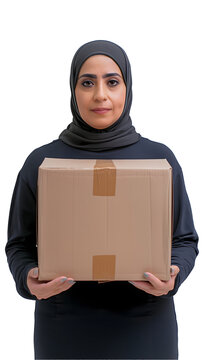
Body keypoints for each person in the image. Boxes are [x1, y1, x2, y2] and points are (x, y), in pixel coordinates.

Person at [5, 40, 199, 360]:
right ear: (73, 89)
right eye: (87, 83)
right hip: (64, 322)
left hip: (145, 321)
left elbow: (185, 239)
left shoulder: (159, 160)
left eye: (112, 82)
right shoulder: (41, 162)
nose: (100, 95)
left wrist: (175, 273)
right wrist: (27, 277)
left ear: (127, 87)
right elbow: (19, 244)